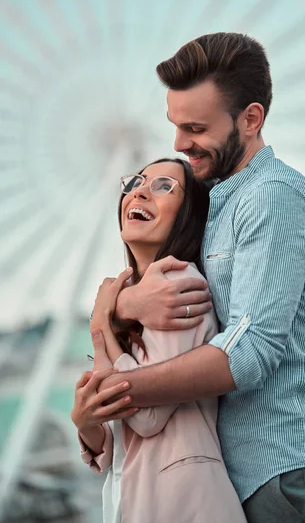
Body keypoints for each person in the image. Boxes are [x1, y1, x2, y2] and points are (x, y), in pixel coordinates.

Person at [94, 32, 305, 522]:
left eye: (194, 127)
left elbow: (250, 353)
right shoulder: (214, 200)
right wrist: (121, 306)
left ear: (251, 119)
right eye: (174, 125)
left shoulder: (272, 199)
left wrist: (117, 393)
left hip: (284, 475)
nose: (179, 144)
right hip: (235, 484)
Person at [71, 158, 247, 523]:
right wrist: (86, 422)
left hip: (186, 501)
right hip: (143, 498)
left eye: (164, 186)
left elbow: (148, 417)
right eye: (136, 181)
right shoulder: (131, 297)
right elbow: (116, 439)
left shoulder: (178, 285)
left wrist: (101, 324)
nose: (139, 190)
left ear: (187, 215)